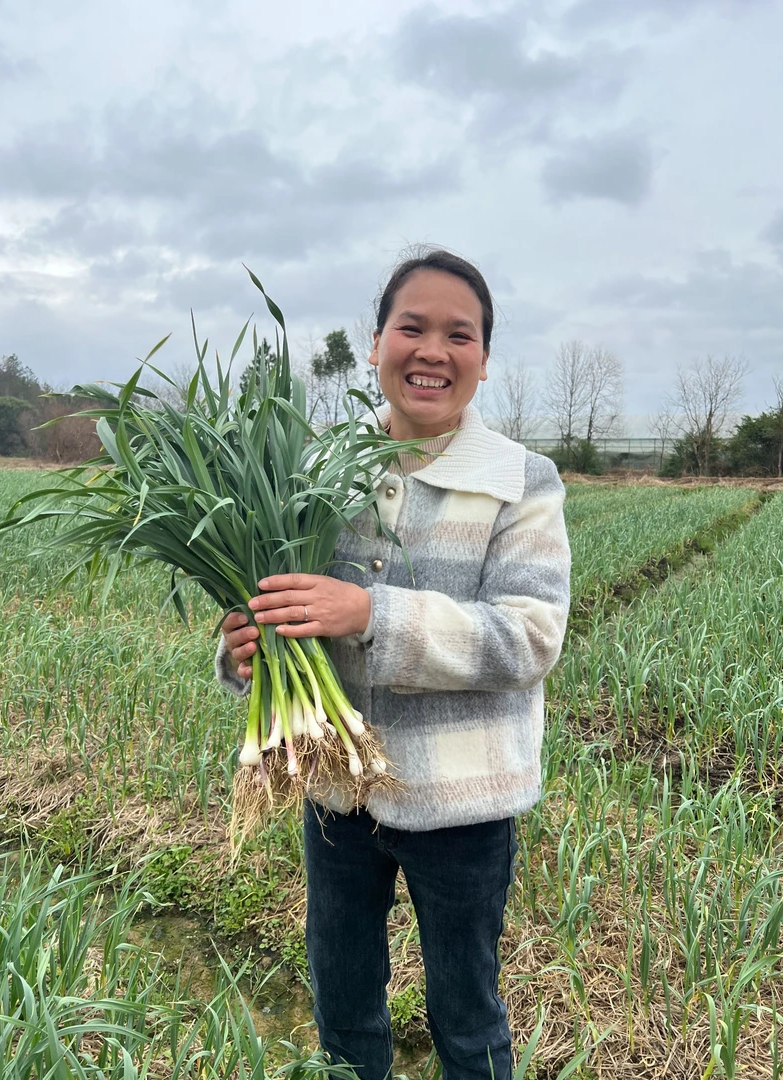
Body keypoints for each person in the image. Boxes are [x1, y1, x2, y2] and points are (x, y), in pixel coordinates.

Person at [216, 249, 571, 1080]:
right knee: (342, 999)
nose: (432, 350)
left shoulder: (522, 483)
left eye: (460, 334)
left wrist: (374, 613)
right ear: (375, 342)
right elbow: (284, 608)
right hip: (337, 790)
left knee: (466, 1012)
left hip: (463, 806)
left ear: (483, 358)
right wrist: (245, 648)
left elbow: (528, 637)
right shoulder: (315, 474)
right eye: (411, 327)